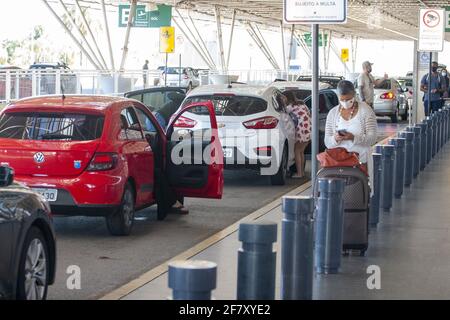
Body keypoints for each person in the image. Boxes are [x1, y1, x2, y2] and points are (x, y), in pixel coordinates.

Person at [325, 80, 377, 178]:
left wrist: (354, 137)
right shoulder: (333, 113)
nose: (345, 102)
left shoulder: (366, 111)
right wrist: (335, 138)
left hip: (361, 162)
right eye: (342, 100)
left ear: (354, 94)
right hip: (338, 164)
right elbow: (327, 142)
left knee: (358, 191)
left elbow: (372, 138)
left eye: (348, 99)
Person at [283, 91, 311, 178]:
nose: (282, 99)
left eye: (283, 98)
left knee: (297, 152)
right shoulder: (302, 104)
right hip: (308, 130)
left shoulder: (291, 107)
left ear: (287, 98)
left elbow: (283, 112)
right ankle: (301, 172)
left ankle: (299, 173)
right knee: (301, 152)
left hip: (301, 131)